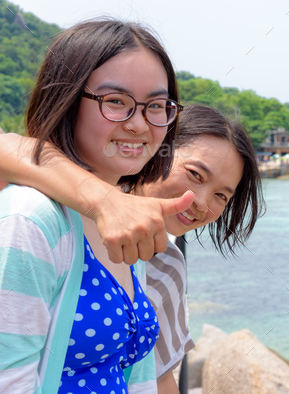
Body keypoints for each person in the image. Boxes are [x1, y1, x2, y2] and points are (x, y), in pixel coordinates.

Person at [0, 104, 264, 393]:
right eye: (195, 174)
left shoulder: (168, 264)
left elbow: (158, 376)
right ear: (157, 150)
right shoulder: (42, 219)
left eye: (221, 196)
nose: (201, 202)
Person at [0, 19, 191, 393]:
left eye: (155, 106)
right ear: (66, 100)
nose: (139, 124)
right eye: (115, 101)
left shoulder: (123, 221)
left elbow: (133, 373)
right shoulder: (31, 219)